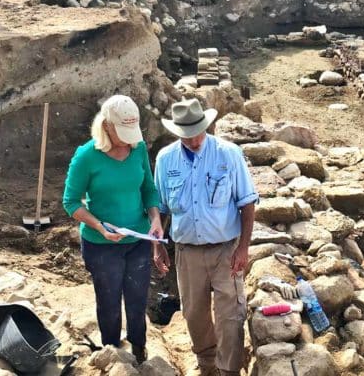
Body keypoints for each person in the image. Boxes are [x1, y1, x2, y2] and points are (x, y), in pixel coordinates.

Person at [153, 99, 258, 376]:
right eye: (187, 136)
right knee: (194, 314)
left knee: (230, 316)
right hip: (186, 251)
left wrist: (243, 248)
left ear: (207, 126)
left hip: (226, 248)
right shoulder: (165, 159)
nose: (194, 140)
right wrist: (159, 245)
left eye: (198, 132)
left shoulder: (229, 154)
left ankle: (229, 371)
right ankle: (207, 367)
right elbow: (160, 209)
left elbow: (247, 204)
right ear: (177, 133)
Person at [62, 95, 164, 364]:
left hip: (137, 239)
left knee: (137, 298)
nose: (129, 140)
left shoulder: (138, 148)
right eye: (123, 133)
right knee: (108, 303)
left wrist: (155, 219)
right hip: (101, 244)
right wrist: (99, 227)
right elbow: (70, 202)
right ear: (106, 126)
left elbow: (148, 190)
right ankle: (112, 354)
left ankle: (139, 349)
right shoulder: (86, 156)